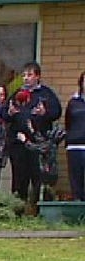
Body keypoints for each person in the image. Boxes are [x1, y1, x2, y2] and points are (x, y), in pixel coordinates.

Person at [1, 61, 62, 205]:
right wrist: (9, 112)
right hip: (18, 143)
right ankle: (18, 208)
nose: (26, 78)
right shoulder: (17, 93)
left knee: (38, 177)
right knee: (19, 177)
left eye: (29, 75)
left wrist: (45, 113)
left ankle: (37, 209)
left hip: (38, 144)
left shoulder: (46, 93)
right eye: (24, 75)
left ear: (37, 76)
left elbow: (57, 112)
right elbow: (4, 113)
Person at [64, 71, 85, 201]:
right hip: (75, 145)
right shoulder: (73, 102)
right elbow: (68, 122)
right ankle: (78, 211)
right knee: (76, 179)